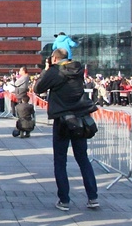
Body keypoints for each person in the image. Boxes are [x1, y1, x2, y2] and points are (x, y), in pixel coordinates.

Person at [33, 47, 98, 211]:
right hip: (80, 118)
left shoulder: (55, 71)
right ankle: (92, 197)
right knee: (83, 158)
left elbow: (37, 88)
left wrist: (47, 69)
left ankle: (64, 200)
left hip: (63, 119)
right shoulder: (77, 69)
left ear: (54, 58)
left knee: (60, 160)